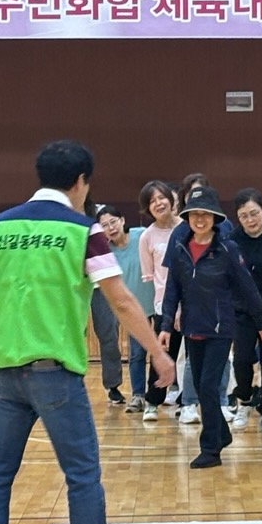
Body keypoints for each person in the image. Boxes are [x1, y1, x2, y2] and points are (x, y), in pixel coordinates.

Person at [0, 140, 174, 524]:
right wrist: (158, 354)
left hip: (1, 370)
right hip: (54, 372)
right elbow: (120, 299)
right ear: (82, 182)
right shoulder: (82, 231)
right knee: (82, 474)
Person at [159, 187, 262, 469]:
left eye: (205, 214)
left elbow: (248, 289)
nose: (199, 219)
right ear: (187, 217)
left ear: (214, 218)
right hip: (191, 328)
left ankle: (210, 449)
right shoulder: (180, 248)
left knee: (207, 387)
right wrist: (165, 326)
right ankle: (221, 433)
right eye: (194, 214)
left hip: (220, 329)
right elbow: (172, 290)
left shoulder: (227, 249)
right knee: (200, 385)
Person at [228, 188, 262, 434]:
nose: (250, 220)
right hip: (242, 312)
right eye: (244, 216)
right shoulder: (231, 240)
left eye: (254, 213)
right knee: (241, 359)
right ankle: (244, 401)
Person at [96, 205, 156, 416]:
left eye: (113, 221)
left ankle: (160, 394)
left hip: (157, 303)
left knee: (163, 351)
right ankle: (138, 395)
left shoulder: (142, 235)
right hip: (134, 311)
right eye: (104, 225)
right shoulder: (105, 252)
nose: (110, 228)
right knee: (137, 354)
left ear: (122, 220)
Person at [137, 180, 181, 421]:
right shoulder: (147, 237)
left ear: (171, 199)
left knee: (191, 356)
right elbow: (151, 277)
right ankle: (153, 401)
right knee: (162, 352)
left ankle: (188, 402)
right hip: (164, 305)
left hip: (194, 303)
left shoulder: (187, 227)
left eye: (161, 197)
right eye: (152, 201)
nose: (158, 203)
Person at [86, 197, 125, 407]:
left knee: (108, 335)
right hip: (73, 287)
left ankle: (113, 385)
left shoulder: (100, 213)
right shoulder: (64, 215)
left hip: (100, 286)